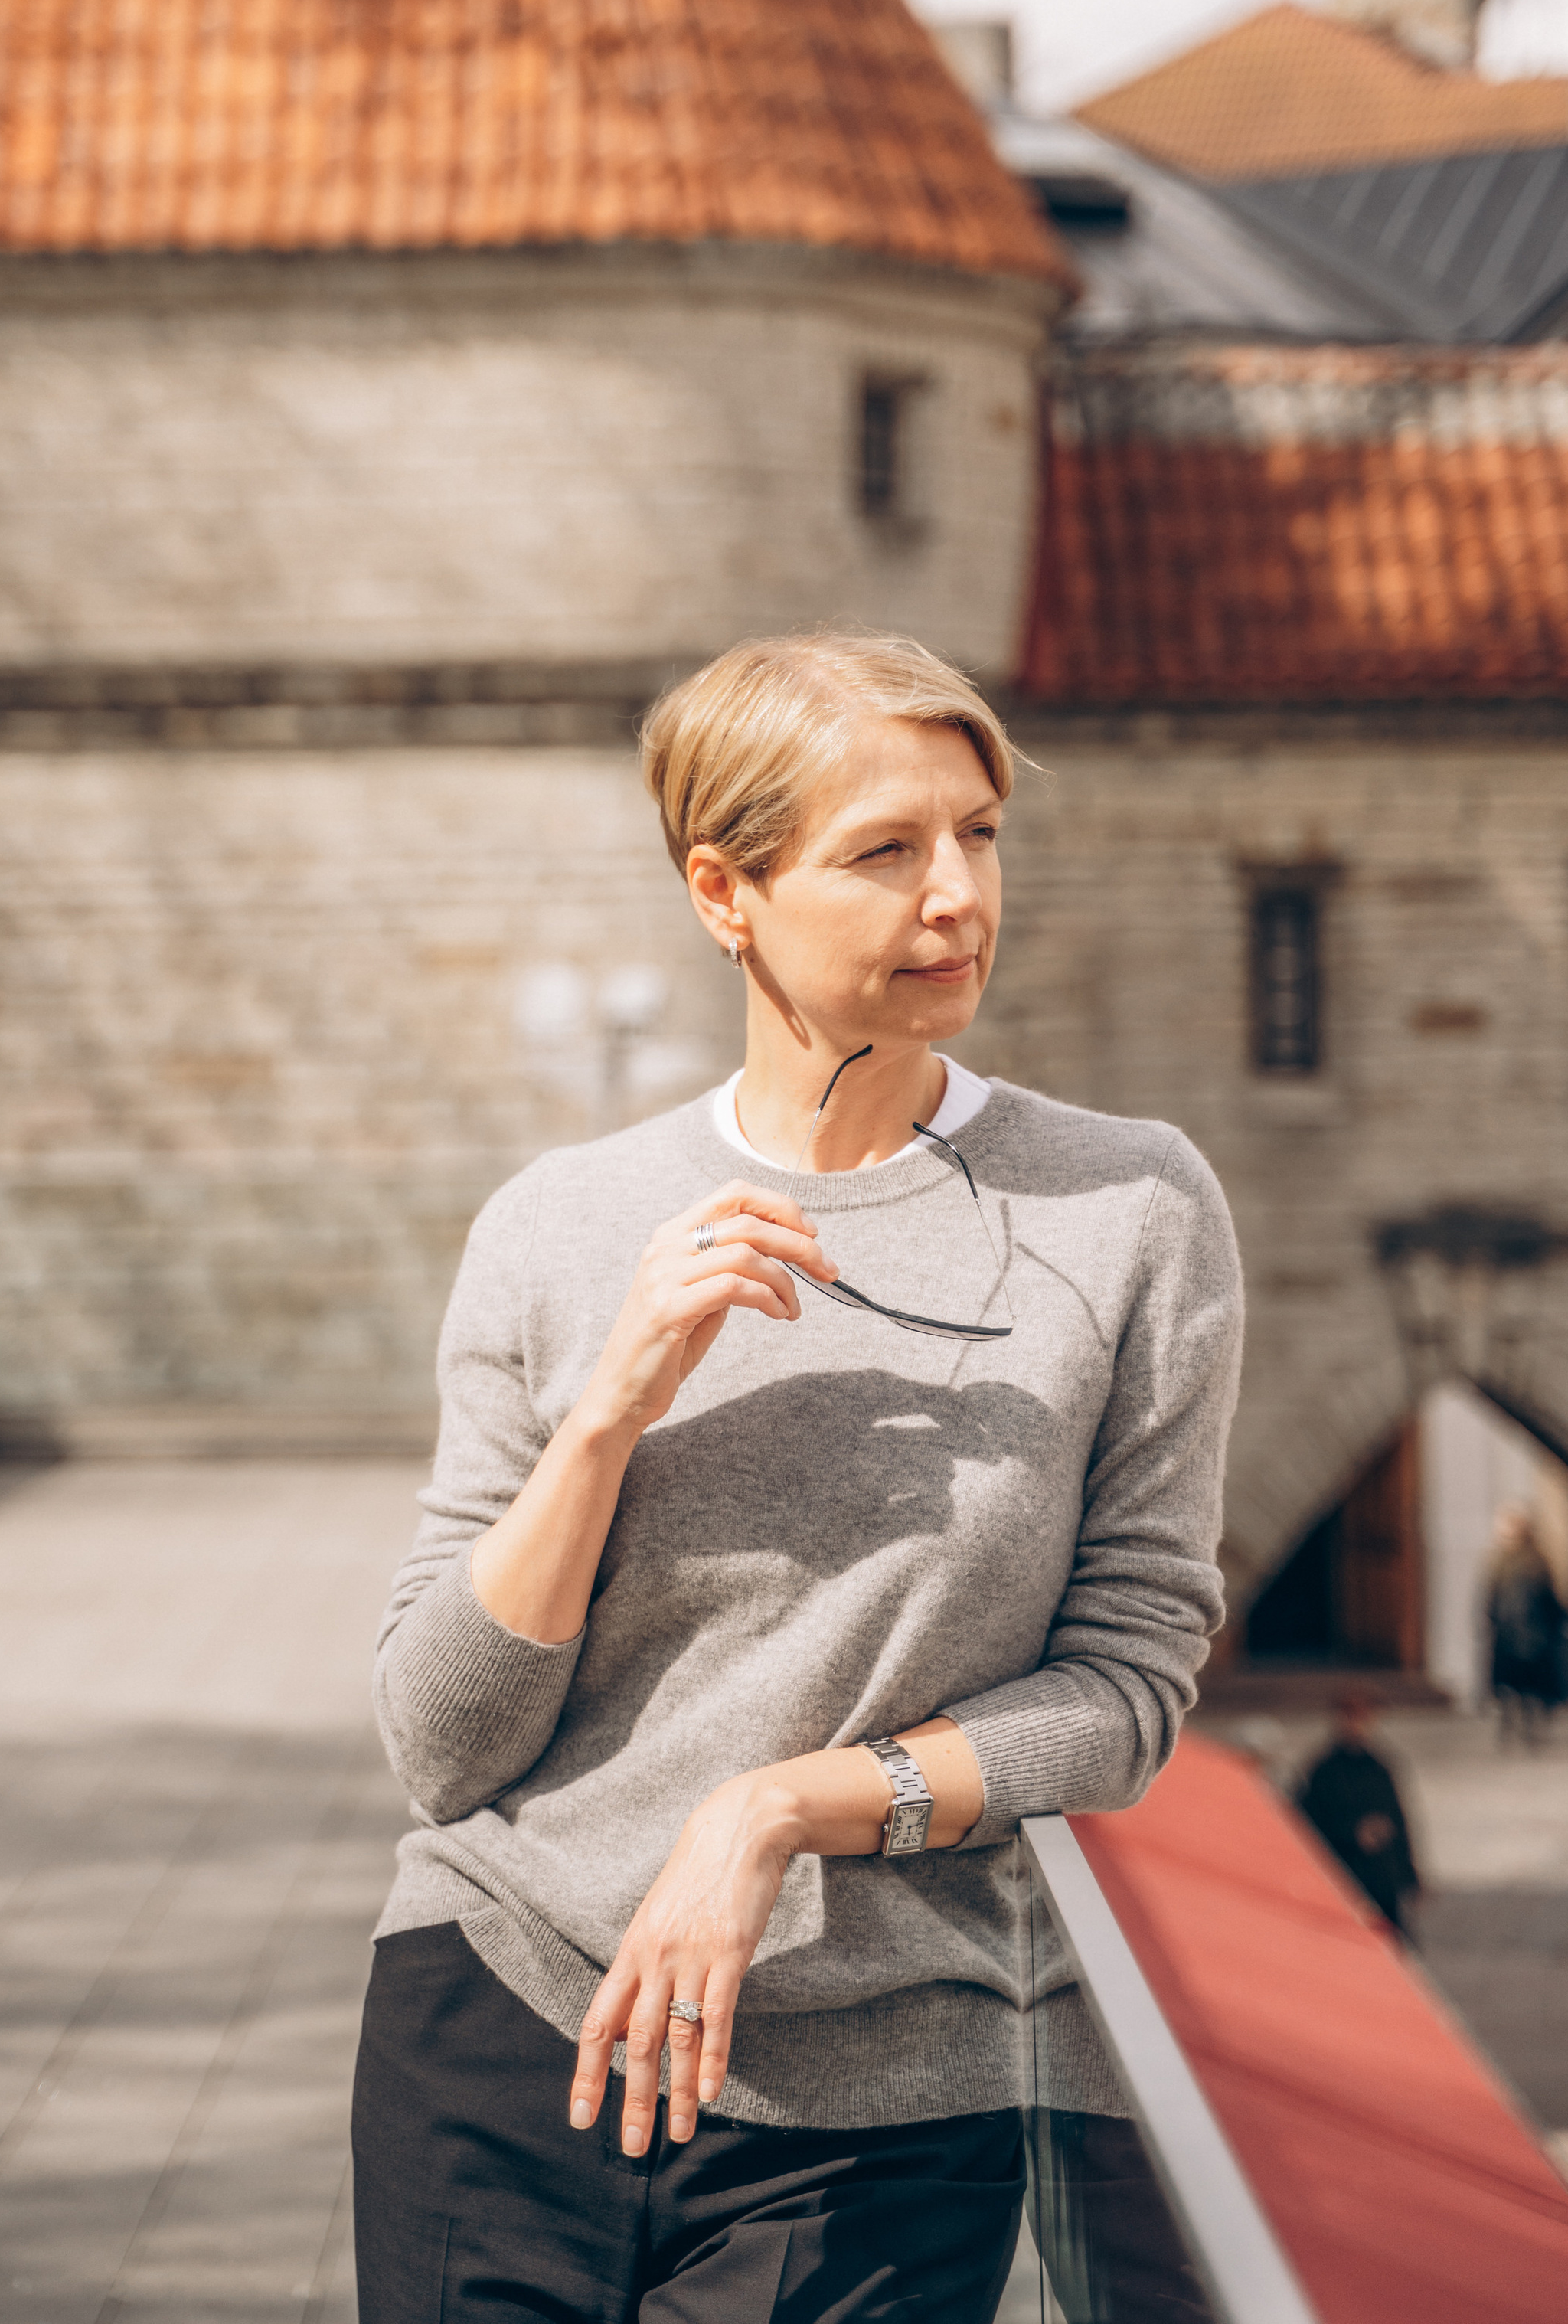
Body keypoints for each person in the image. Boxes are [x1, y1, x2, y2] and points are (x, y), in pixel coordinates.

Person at [355, 631, 1244, 2324]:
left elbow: (1125, 1692)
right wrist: (609, 1412)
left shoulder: (1127, 1209)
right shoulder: (557, 1225)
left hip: (885, 2086)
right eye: (884, 850)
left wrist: (771, 1811)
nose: (956, 895)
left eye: (978, 835)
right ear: (725, 894)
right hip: (500, 2028)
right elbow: (441, 1742)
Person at [1295, 1692, 1420, 1935]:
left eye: (1364, 1717)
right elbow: (1307, 1823)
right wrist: (1353, 1833)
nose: (1357, 1725)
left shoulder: (1379, 1768)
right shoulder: (1324, 1772)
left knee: (1391, 1938)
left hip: (1382, 1874)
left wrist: (1409, 1873)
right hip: (1345, 1873)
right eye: (1351, 1717)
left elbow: (1398, 1820)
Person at [1486, 1506, 1566, 1748]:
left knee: (1527, 1685)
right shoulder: (1500, 1562)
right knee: (1513, 1686)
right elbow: (1493, 1599)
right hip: (1510, 1634)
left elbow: (1546, 1601)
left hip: (1531, 1635)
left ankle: (1527, 1727)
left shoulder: (1534, 1562)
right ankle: (1513, 1727)